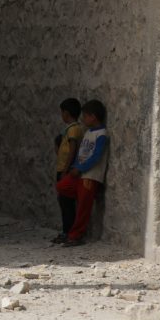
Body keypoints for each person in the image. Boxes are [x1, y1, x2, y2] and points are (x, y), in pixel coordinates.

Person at [56, 100, 109, 247]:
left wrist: (80, 168)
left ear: (93, 117)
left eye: (85, 116)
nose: (83, 119)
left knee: (83, 208)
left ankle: (76, 236)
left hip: (90, 176)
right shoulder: (88, 133)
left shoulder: (102, 134)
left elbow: (96, 156)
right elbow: (81, 153)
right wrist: (75, 167)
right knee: (62, 187)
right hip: (80, 174)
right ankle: (72, 233)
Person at [51, 98, 83, 244]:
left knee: (66, 203)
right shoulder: (70, 129)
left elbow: (72, 149)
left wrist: (66, 170)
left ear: (66, 113)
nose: (61, 115)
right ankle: (67, 231)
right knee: (63, 202)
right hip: (64, 169)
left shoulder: (73, 129)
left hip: (66, 170)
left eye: (62, 112)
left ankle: (69, 232)